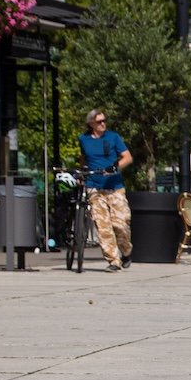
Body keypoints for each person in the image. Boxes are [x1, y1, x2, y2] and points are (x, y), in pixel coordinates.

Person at [78, 108, 133, 272]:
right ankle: (113, 261)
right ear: (91, 124)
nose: (103, 124)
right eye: (99, 121)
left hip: (115, 187)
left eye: (104, 121)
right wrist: (82, 173)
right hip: (94, 187)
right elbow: (84, 158)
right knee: (103, 226)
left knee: (120, 223)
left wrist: (115, 168)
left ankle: (126, 251)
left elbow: (127, 157)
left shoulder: (113, 137)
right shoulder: (84, 139)